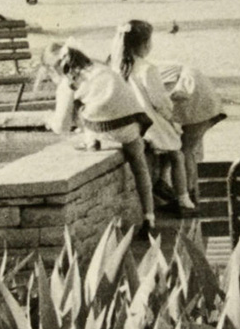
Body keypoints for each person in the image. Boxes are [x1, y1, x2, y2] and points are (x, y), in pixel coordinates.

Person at [43, 43, 159, 239]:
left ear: (53, 69)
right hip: (131, 125)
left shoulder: (68, 83)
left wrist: (48, 120)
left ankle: (91, 141)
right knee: (139, 164)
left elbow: (62, 127)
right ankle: (149, 216)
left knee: (80, 106)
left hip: (104, 129)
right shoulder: (100, 68)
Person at [113, 20, 198, 216]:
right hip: (149, 121)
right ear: (144, 44)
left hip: (131, 119)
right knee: (177, 153)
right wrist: (172, 118)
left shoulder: (118, 65)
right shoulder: (147, 68)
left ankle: (163, 186)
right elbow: (159, 100)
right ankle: (184, 199)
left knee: (166, 148)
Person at [159, 60, 226, 205]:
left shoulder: (134, 76)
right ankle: (192, 194)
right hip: (203, 94)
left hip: (193, 94)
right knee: (188, 149)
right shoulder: (146, 67)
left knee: (184, 150)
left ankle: (187, 196)